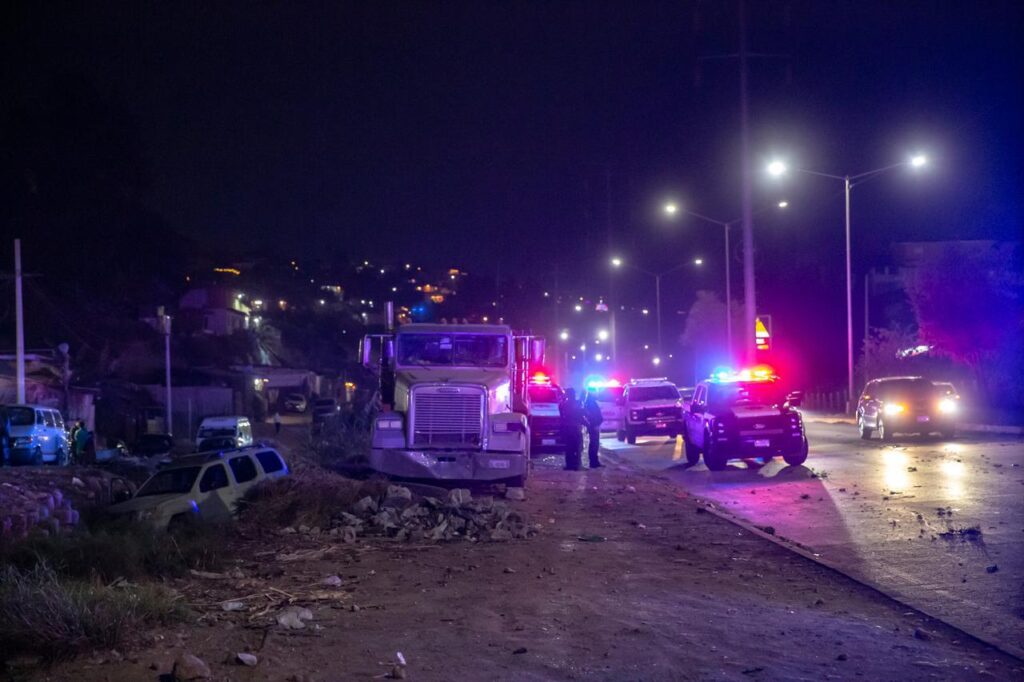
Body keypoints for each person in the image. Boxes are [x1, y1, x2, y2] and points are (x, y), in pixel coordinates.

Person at [559, 388, 584, 471]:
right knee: (577, 447)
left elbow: (562, 416)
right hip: (575, 428)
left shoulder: (563, 404)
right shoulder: (577, 403)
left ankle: (570, 465)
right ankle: (577, 465)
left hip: (568, 428)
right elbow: (581, 415)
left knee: (569, 447)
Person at [583, 390, 604, 469]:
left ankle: (594, 461)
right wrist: (595, 424)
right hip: (594, 426)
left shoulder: (590, 402)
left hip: (594, 425)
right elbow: (593, 415)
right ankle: (593, 462)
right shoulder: (591, 403)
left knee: (594, 444)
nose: (597, 393)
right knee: (594, 444)